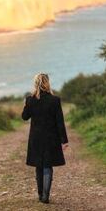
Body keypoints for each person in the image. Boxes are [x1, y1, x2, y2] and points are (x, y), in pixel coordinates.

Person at [22, 73, 69, 204]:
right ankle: (45, 196)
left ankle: (40, 194)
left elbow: (24, 117)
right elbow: (60, 122)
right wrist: (64, 140)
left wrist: (26, 104)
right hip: (51, 138)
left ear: (35, 83)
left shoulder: (30, 99)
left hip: (36, 138)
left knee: (39, 165)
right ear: (47, 83)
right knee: (47, 165)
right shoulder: (55, 100)